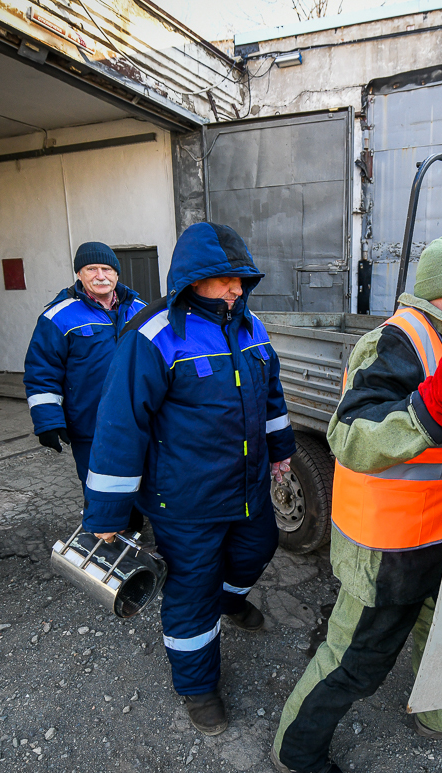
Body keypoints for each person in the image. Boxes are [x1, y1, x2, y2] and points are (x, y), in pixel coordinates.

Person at [272, 238, 442, 773]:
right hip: (388, 543)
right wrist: (427, 412)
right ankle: (295, 750)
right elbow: (348, 438)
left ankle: (438, 714)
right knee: (355, 658)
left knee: (441, 634)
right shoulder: (394, 343)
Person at [81, 222, 295, 736]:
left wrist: (282, 451)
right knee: (191, 589)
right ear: (193, 279)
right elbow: (119, 426)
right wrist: (107, 516)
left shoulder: (251, 327)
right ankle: (197, 687)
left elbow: (271, 396)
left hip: (245, 488)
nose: (238, 289)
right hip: (185, 499)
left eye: (243, 279)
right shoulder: (154, 335)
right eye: (227, 279)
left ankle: (227, 601)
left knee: (258, 548)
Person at [23, 241, 146, 494]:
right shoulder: (58, 316)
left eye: (107, 269)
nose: (101, 276)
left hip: (140, 420)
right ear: (79, 273)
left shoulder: (142, 311)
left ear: (116, 274)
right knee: (100, 488)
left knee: (144, 483)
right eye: (92, 269)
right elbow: (42, 371)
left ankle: (132, 527)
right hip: (90, 423)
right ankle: (105, 532)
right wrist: (47, 420)